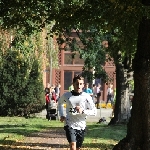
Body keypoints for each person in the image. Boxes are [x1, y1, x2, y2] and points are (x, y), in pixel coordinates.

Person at [58, 75, 97, 150]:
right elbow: (60, 103)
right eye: (77, 84)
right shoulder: (67, 95)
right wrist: (62, 115)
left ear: (83, 85)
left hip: (81, 125)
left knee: (77, 148)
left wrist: (83, 111)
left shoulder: (86, 96)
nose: (79, 86)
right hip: (70, 124)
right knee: (73, 145)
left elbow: (94, 112)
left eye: (81, 84)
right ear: (73, 84)